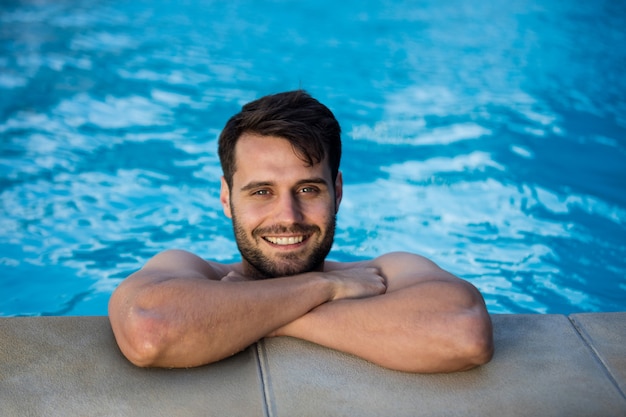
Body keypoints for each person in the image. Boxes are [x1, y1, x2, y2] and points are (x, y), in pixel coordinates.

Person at [108, 90, 493, 373]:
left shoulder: (386, 272)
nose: (288, 216)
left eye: (308, 189)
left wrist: (247, 313)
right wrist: (323, 289)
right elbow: (150, 330)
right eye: (262, 192)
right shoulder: (188, 267)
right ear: (226, 198)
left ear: (337, 192)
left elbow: (464, 331)